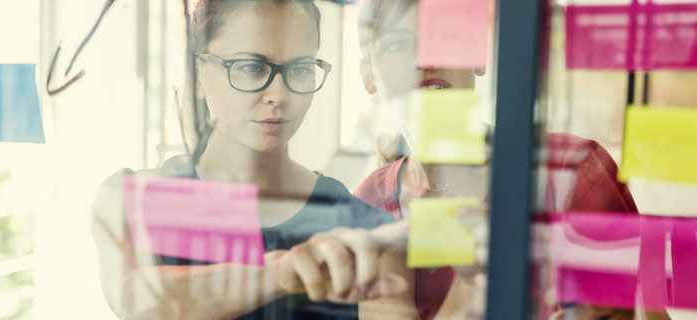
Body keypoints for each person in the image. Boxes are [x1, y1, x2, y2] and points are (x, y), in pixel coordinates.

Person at [268, 0, 666, 319]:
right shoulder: (365, 202)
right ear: (367, 76)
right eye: (396, 44)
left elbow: (645, 311)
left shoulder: (570, 169)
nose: (424, 60)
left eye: (445, 35)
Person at [90, 1, 403, 319]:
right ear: (198, 72)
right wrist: (279, 273)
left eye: (300, 69)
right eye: (251, 68)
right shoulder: (128, 199)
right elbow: (137, 301)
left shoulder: (364, 228)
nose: (279, 96)